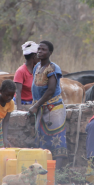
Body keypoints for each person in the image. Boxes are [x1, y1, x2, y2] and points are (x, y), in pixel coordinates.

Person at [28, 41, 67, 170]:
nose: (40, 51)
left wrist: (36, 105)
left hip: (53, 108)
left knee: (58, 141)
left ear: (50, 53)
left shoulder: (53, 68)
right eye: (39, 49)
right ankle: (44, 170)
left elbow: (51, 90)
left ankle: (57, 173)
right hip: (41, 108)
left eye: (43, 49)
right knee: (41, 140)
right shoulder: (36, 67)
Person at [14, 41, 39, 111]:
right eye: (38, 55)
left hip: (33, 102)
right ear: (34, 56)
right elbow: (18, 91)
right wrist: (19, 109)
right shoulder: (21, 71)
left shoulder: (37, 69)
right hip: (22, 102)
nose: (39, 57)